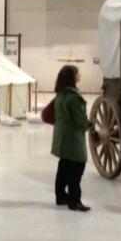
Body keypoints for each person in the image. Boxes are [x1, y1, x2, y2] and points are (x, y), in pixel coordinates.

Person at [51, 65, 92, 212]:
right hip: (73, 137)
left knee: (64, 166)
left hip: (61, 135)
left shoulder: (60, 94)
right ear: (72, 77)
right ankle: (74, 201)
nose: (79, 75)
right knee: (77, 167)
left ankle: (61, 196)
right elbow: (80, 120)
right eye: (77, 73)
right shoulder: (74, 97)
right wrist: (90, 124)